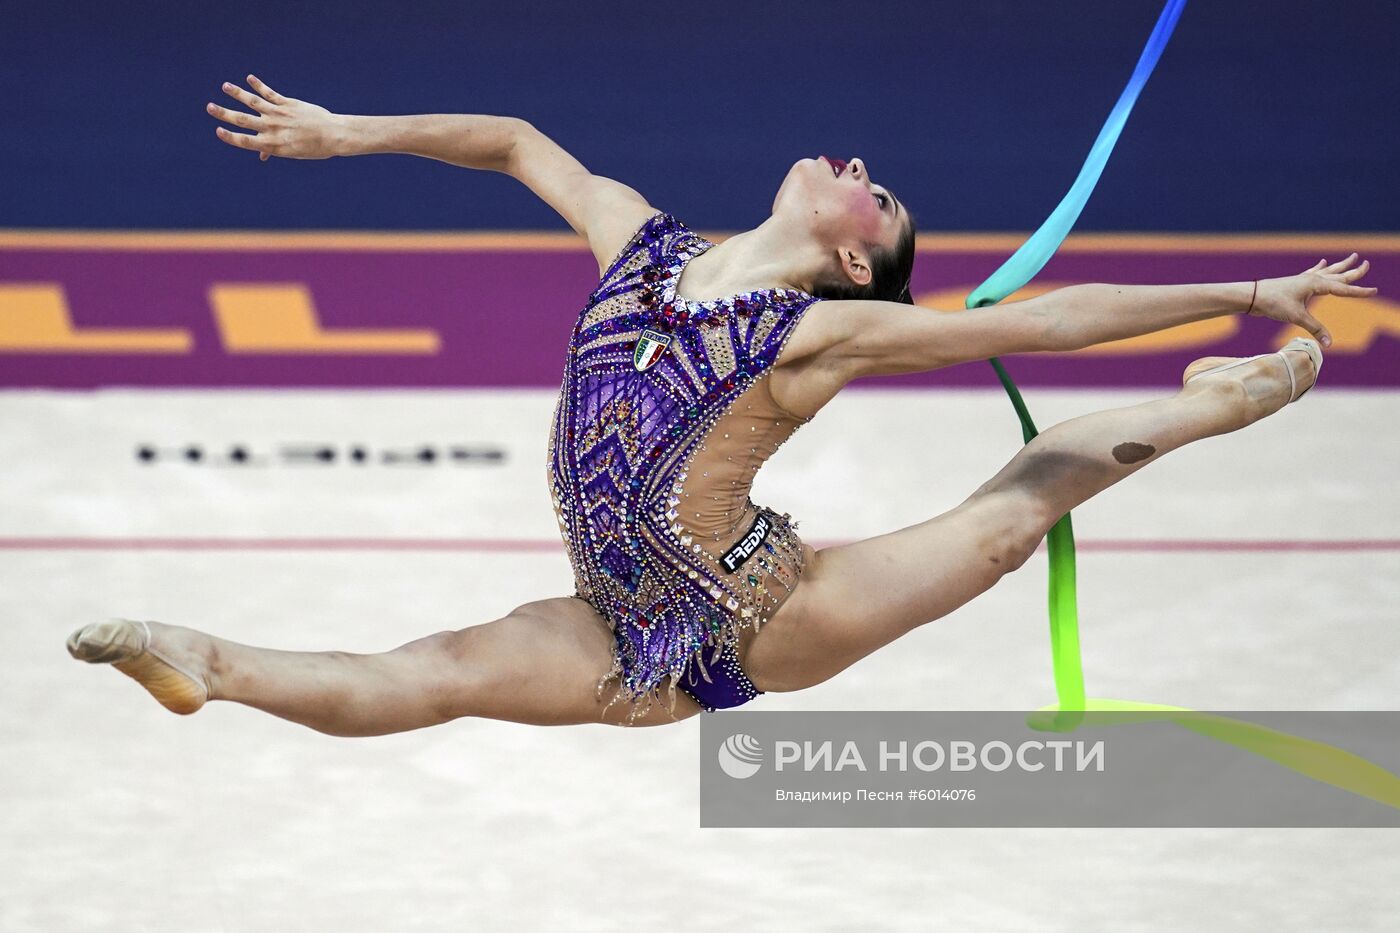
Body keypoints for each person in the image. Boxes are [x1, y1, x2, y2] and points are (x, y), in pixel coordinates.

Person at [67, 76, 1379, 733]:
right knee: (443, 670)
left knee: (1004, 522)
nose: (857, 166)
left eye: (876, 194)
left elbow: (1044, 321)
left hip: (765, 613)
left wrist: (1250, 290)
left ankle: (1230, 399)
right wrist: (348, 131)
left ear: (855, 259)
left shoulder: (815, 331)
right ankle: (208, 661)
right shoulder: (636, 243)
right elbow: (517, 141)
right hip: (611, 621)